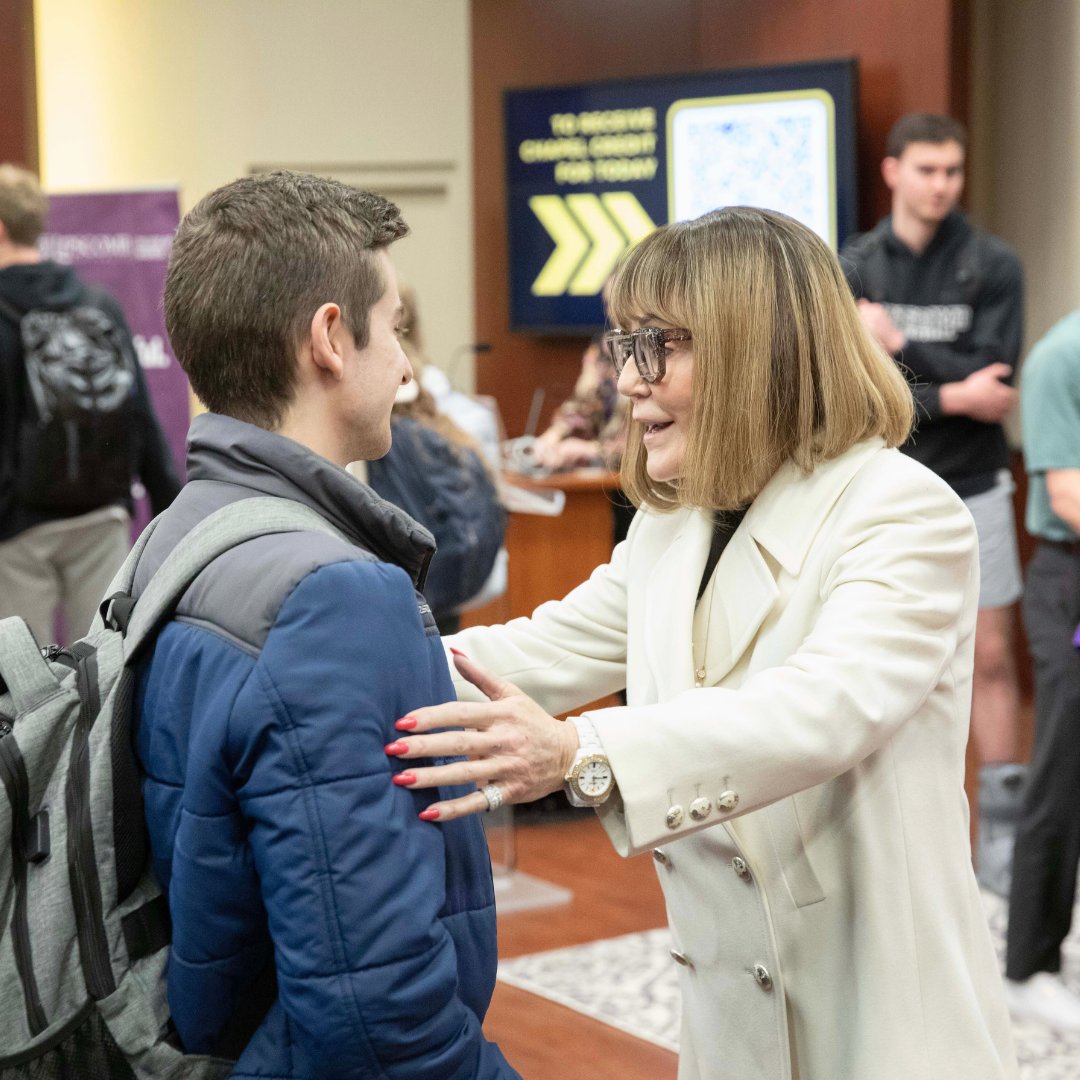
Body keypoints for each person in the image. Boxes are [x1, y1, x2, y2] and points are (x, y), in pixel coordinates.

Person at [383, 207, 1019, 1079]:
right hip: (734, 1037)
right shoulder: (672, 524)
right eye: (623, 347)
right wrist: (346, 658)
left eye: (659, 348)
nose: (629, 382)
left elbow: (818, 713)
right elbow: (536, 651)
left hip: (883, 1024)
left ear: (759, 351)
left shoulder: (903, 513)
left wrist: (580, 754)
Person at [132, 171, 519, 1078]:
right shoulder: (337, 598)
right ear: (331, 339)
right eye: (395, 328)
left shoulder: (174, 536)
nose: (409, 367)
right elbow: (378, 1017)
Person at [840, 114, 1027, 896]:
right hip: (883, 485)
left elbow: (996, 387)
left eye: (952, 171)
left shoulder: (992, 264)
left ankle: (1005, 847)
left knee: (989, 659)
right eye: (926, 170)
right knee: (881, 658)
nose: (941, 185)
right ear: (892, 172)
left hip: (978, 485)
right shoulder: (851, 265)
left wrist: (902, 352)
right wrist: (953, 387)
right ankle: (894, 845)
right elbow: (856, 382)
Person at [0, 163, 181, 644]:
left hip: (16, 529)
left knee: (22, 689)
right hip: (101, 515)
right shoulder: (97, 305)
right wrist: (172, 508)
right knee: (100, 668)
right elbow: (139, 412)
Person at [1002, 309, 1080, 1031]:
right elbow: (1067, 495)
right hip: (1069, 580)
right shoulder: (1062, 358)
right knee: (1062, 771)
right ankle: (1028, 967)